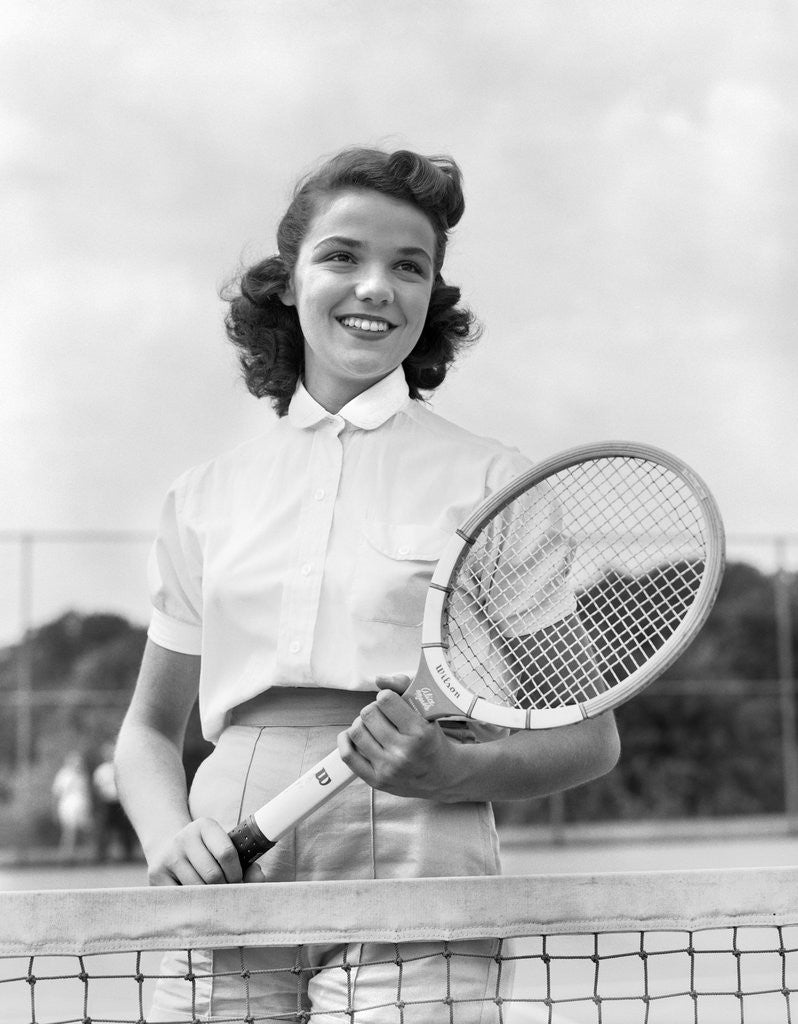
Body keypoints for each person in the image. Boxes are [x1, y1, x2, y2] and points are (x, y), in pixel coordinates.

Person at [114, 147, 621, 1021]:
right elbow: (148, 737)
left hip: (423, 845)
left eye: (409, 266)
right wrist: (172, 838)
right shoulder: (202, 497)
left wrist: (450, 771)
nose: (376, 286)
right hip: (233, 854)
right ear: (288, 281)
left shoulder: (493, 478)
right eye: (343, 255)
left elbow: (591, 740)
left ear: (432, 300)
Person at [52, 750, 93, 858]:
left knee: (85, 830)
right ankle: (66, 855)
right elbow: (57, 792)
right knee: (69, 831)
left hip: (82, 805)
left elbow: (86, 792)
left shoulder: (83, 775)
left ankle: (88, 854)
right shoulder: (63, 775)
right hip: (68, 806)